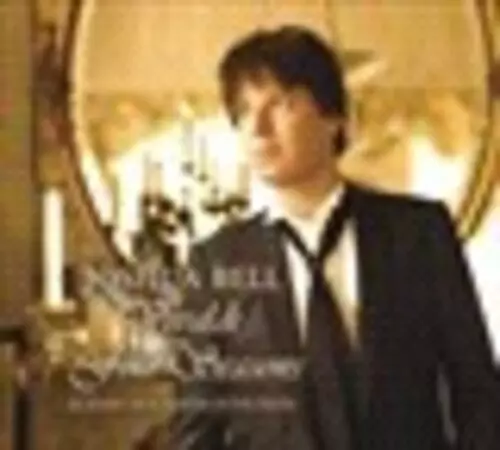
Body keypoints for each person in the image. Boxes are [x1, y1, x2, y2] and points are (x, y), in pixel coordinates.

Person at [136, 25, 499, 450]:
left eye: (281, 104)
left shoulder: (419, 234)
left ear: (333, 117)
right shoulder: (217, 261)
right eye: (244, 111)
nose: (259, 128)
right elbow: (198, 427)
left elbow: (478, 394)